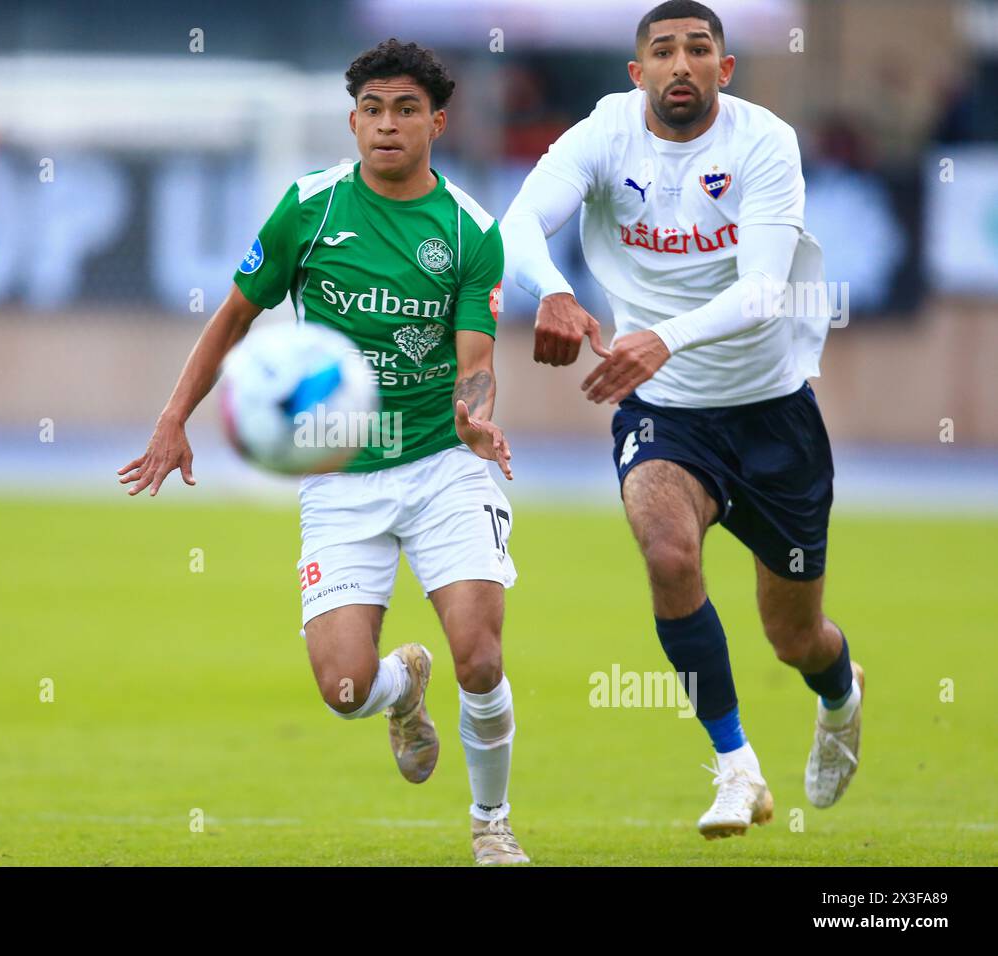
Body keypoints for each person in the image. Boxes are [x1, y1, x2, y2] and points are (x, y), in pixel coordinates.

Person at [120, 39, 528, 864]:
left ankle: (491, 823)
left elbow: (475, 363)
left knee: (480, 655)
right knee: (343, 689)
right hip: (340, 477)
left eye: (406, 110)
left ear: (437, 122)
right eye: (373, 109)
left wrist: (476, 420)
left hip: (445, 462)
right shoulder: (307, 209)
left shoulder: (470, 231)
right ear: (351, 120)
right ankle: (398, 688)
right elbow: (233, 317)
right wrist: (175, 417)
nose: (387, 124)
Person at [502, 0, 863, 839]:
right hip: (665, 411)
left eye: (699, 49)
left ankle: (841, 696)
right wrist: (551, 290)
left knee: (795, 636)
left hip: (773, 411)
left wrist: (660, 337)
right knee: (667, 552)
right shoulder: (604, 133)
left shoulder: (763, 142)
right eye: (661, 51)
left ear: (723, 69)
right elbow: (516, 221)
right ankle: (735, 765)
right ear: (637, 74)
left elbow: (765, 289)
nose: (680, 64)